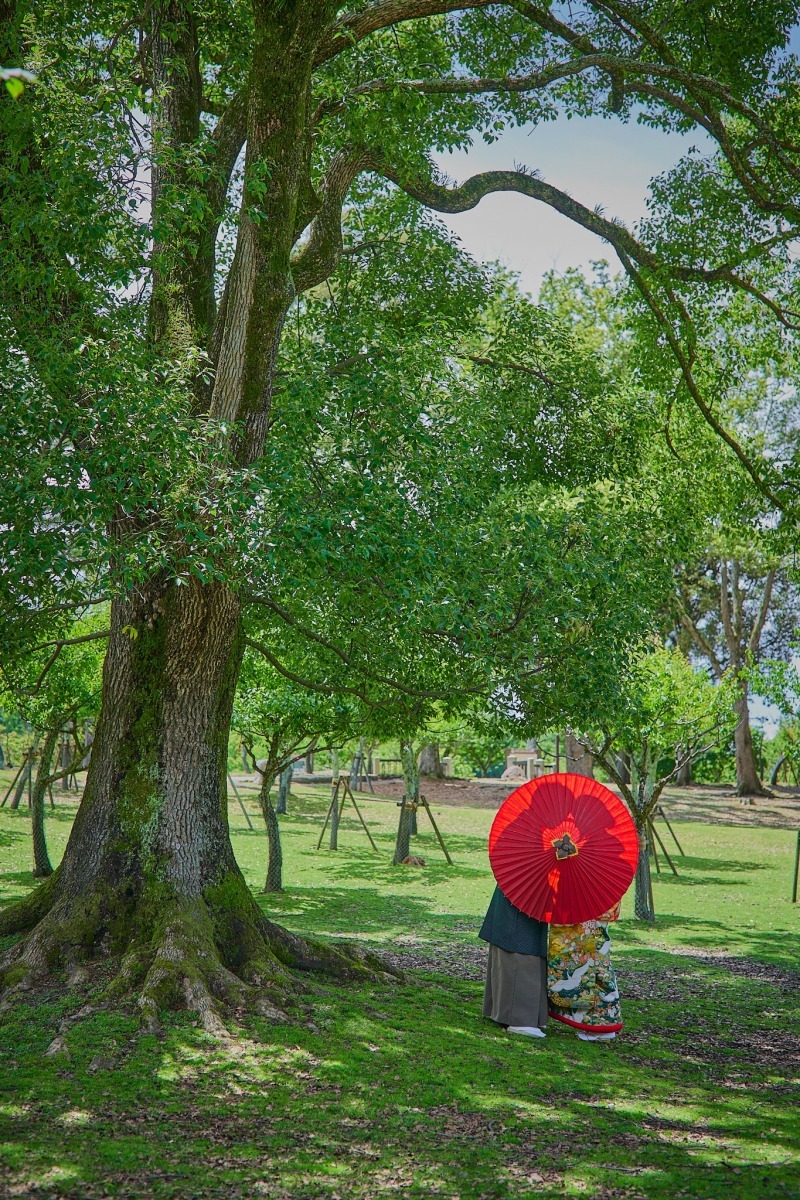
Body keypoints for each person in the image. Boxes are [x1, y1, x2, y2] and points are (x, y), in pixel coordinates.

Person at [479, 884, 549, 1038]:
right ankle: (519, 1019)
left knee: (526, 939)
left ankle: (518, 1015)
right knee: (520, 945)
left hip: (528, 887)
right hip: (522, 887)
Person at [546, 902, 622, 1041]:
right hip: (589, 906)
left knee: (596, 966)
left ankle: (602, 1024)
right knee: (591, 964)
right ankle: (598, 1022)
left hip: (588, 908)